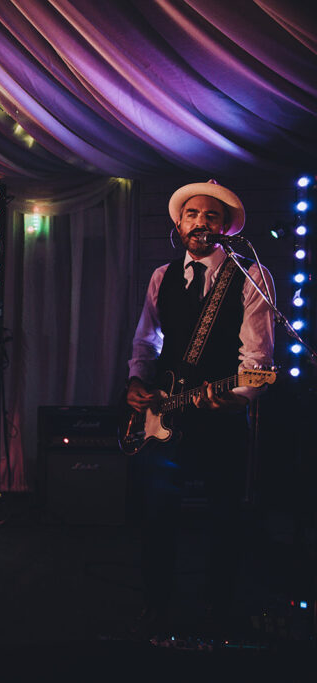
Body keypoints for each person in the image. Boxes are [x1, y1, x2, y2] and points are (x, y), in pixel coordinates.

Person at [125, 180, 275, 634]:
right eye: (192, 214)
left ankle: (218, 608)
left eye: (211, 216)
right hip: (164, 413)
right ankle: (157, 605)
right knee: (157, 516)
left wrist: (234, 399)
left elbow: (257, 360)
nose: (200, 222)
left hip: (219, 419)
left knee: (223, 516)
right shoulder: (162, 276)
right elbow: (146, 340)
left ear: (225, 227)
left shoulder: (251, 274)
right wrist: (136, 382)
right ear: (179, 223)